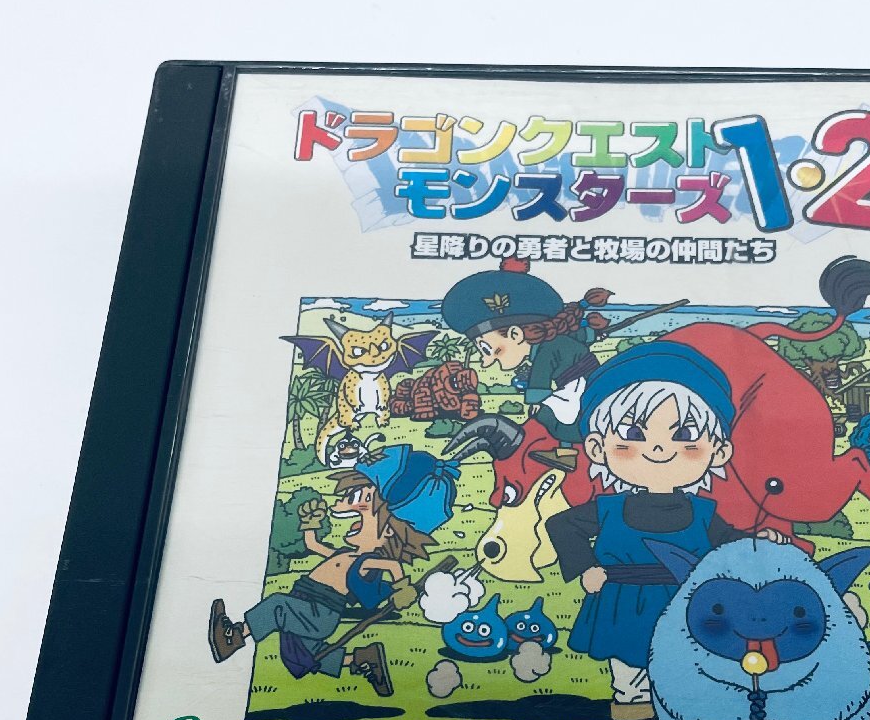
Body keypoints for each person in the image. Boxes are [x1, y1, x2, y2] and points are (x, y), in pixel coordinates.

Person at [546, 341, 787, 720]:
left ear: (719, 451)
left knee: (684, 672)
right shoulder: (608, 508)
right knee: (629, 678)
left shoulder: (703, 512)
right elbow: (561, 526)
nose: (659, 450)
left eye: (685, 437)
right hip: (622, 602)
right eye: (633, 436)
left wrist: (759, 541)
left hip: (684, 605)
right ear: (597, 448)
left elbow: (729, 544)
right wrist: (585, 567)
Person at [208, 463, 441, 691]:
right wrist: (310, 523)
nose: (356, 521)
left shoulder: (366, 562)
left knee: (277, 605)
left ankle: (233, 637)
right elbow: (313, 545)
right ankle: (362, 659)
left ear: (388, 532)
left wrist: (403, 589)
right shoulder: (346, 554)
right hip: (307, 602)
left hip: (320, 611)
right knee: (301, 653)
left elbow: (393, 565)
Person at [440, 257, 610, 469]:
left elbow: (540, 376)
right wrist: (593, 334)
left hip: (582, 388)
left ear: (515, 334)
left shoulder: (546, 351)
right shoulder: (553, 342)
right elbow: (579, 336)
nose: (486, 362)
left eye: (487, 350)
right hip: (581, 386)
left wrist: (536, 400)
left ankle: (567, 453)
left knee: (550, 416)